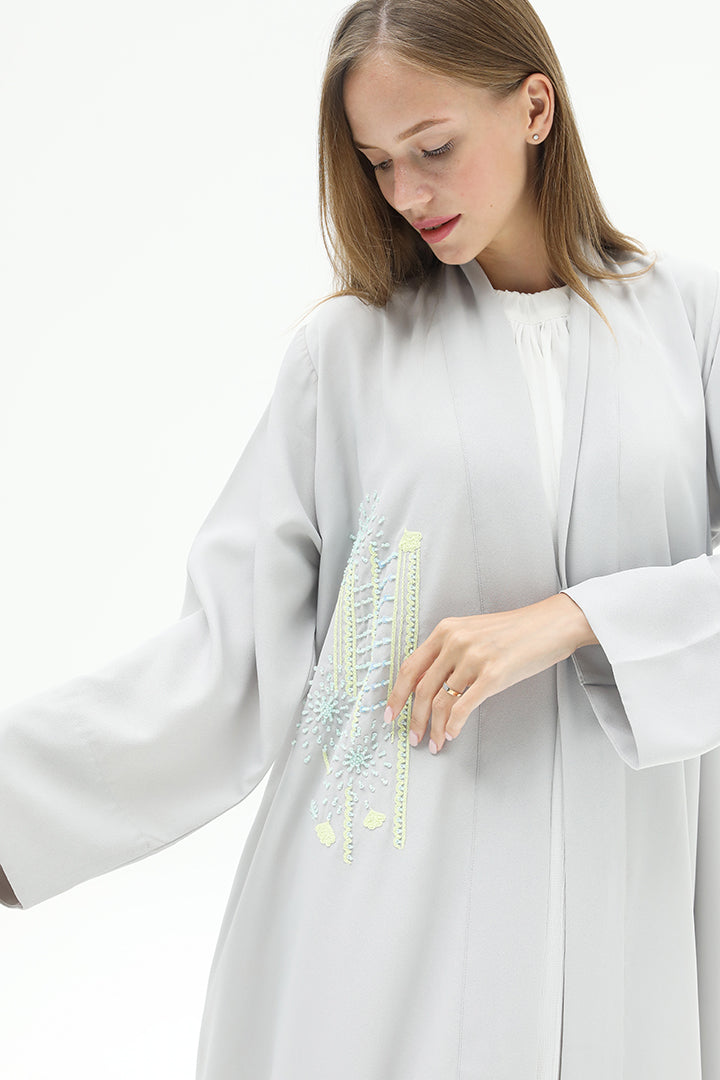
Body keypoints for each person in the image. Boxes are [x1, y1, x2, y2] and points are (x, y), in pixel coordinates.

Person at [2, 1, 719, 1077]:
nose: (406, 194)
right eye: (378, 163)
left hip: (635, 895)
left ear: (534, 108)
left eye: (433, 148)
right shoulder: (348, 353)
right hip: (397, 898)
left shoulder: (687, 322)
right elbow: (229, 656)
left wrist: (572, 620)